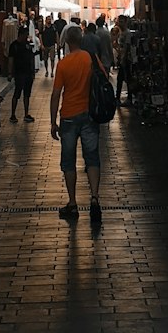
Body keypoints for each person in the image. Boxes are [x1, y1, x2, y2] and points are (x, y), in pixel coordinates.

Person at [50, 24, 103, 224]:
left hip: (69, 117)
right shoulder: (91, 59)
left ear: (66, 42)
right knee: (92, 158)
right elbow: (102, 79)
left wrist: (52, 121)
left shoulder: (63, 64)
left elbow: (56, 95)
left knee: (68, 161)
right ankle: (95, 198)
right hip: (89, 115)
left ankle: (72, 202)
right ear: (81, 40)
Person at [8, 24, 36, 122]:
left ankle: (26, 114)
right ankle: (12, 114)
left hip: (28, 73)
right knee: (17, 93)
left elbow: (31, 58)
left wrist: (33, 71)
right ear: (21, 34)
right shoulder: (14, 46)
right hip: (19, 73)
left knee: (27, 94)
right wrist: (10, 73)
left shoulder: (27, 45)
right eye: (26, 34)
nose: (27, 36)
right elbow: (11, 60)